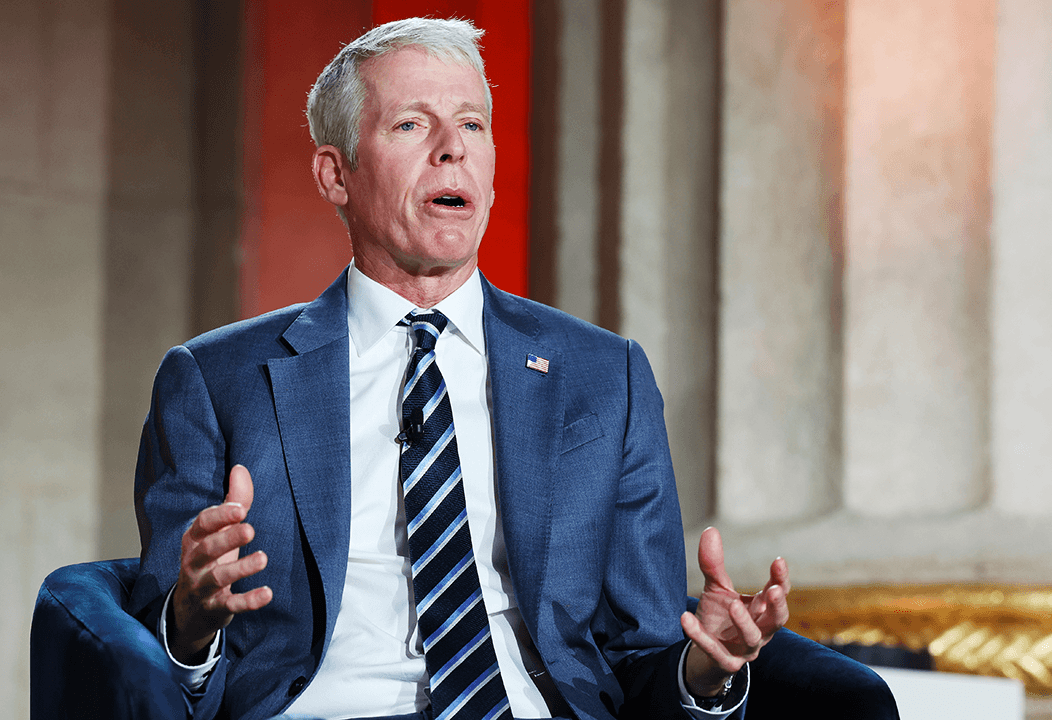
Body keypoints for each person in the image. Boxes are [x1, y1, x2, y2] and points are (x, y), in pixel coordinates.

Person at [127, 17, 789, 720]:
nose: (453, 149)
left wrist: (702, 671)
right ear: (336, 174)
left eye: (472, 124)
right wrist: (190, 623)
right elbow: (151, 658)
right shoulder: (216, 380)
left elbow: (641, 655)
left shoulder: (604, 377)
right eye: (412, 125)